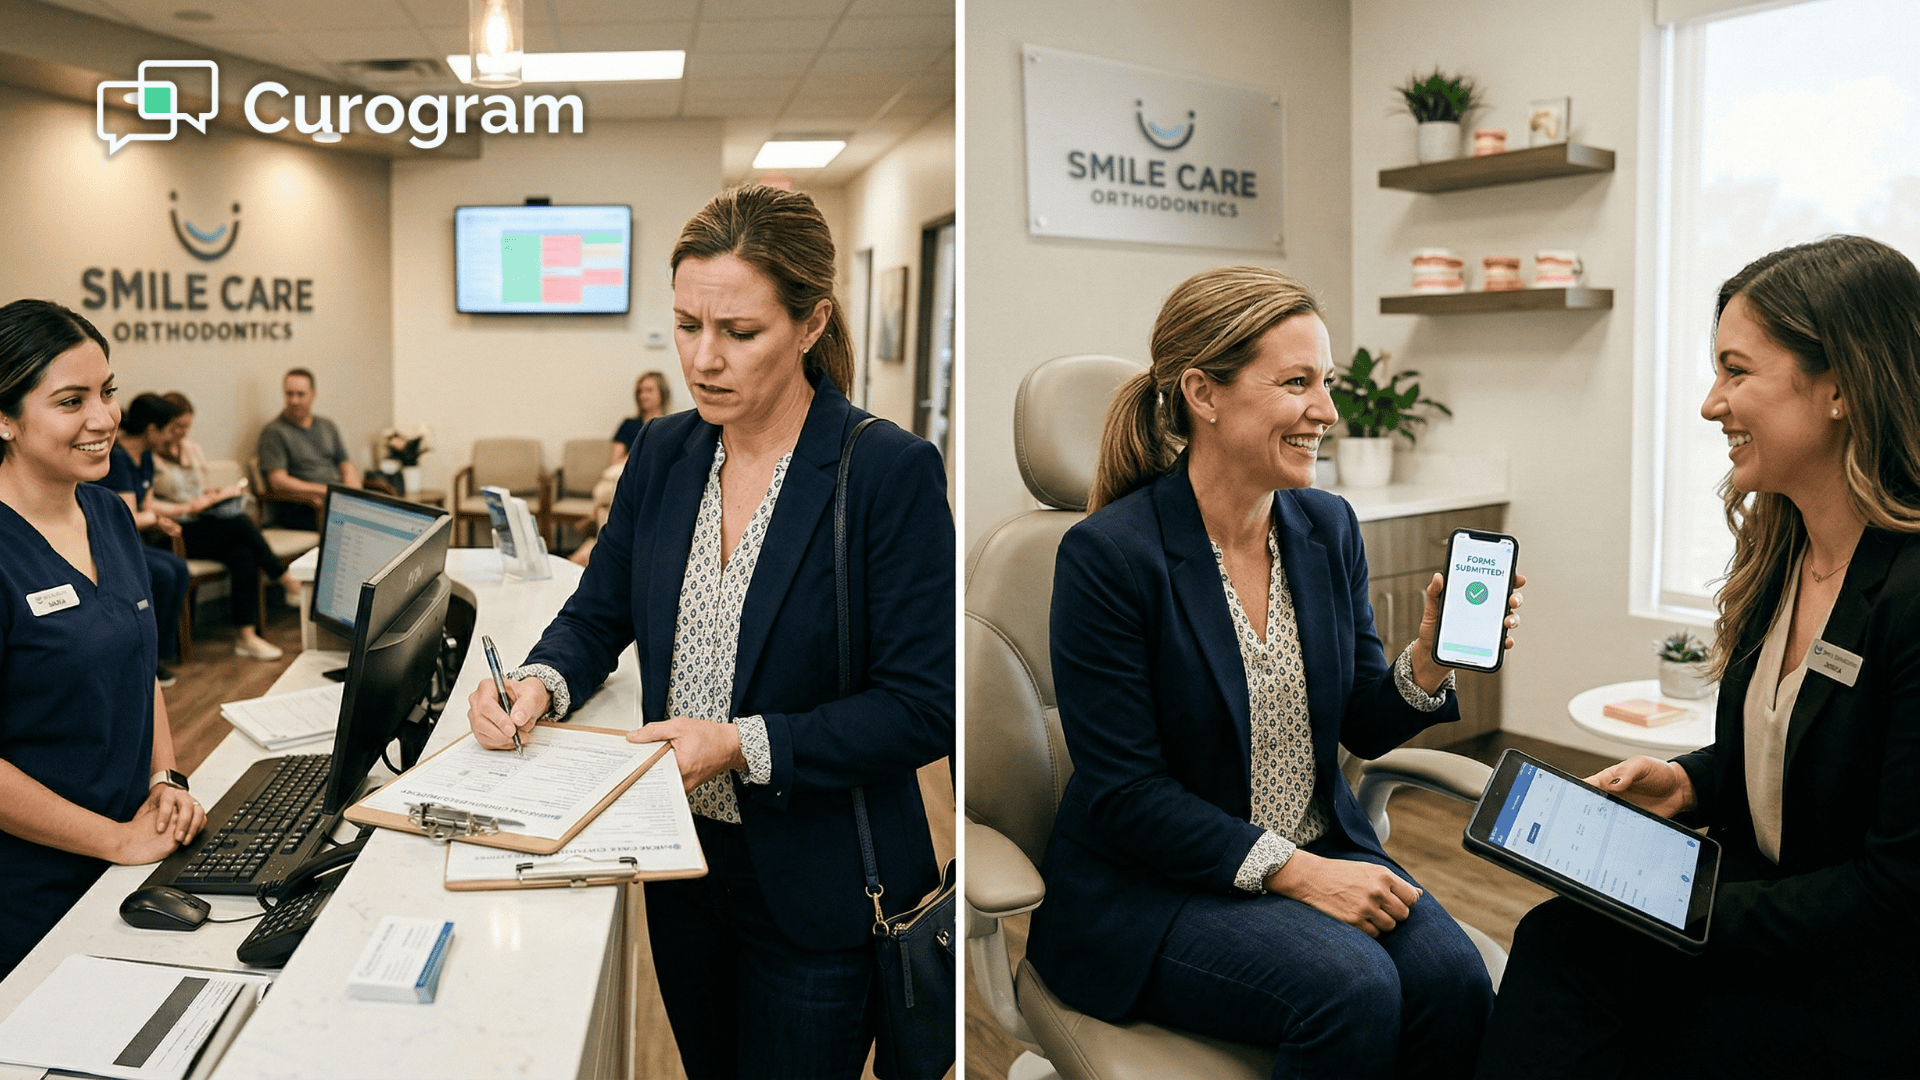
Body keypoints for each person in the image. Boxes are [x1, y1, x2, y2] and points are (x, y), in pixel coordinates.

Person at [465, 185, 953, 1078]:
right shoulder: (664, 452)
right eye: (687, 325)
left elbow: (925, 707)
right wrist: (536, 682)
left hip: (817, 886)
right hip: (684, 863)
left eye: (739, 332)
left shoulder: (887, 471)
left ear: (810, 324)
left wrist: (739, 744)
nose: (703, 358)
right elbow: (599, 610)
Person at [1024, 266, 1525, 1079]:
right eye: (1297, 383)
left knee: (1456, 984)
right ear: (1204, 393)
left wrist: (1430, 658)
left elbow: (1363, 719)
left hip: (1318, 847)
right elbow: (1128, 795)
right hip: (1158, 887)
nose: (1327, 411)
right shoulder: (1109, 556)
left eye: (1326, 383)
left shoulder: (1326, 526)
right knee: (1352, 988)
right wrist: (1298, 874)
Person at [1477, 235, 1920, 1078]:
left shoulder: (1909, 595)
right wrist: (1690, 783)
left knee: (1570, 960)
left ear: (1840, 386)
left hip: (1861, 980)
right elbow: (1801, 752)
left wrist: (1679, 900)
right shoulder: (1782, 553)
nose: (1712, 404)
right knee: (1560, 940)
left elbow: (1898, 891)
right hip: (1767, 920)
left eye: (1735, 371)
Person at [0, 299, 206, 979]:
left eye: (107, 391)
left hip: (131, 854)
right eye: (71, 401)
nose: (104, 417)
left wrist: (165, 778)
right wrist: (114, 839)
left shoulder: (109, 514)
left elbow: (138, 667)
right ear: (4, 418)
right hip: (33, 890)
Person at [146, 392, 302, 660]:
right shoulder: (148, 458)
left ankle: (246, 636)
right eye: (177, 426)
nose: (182, 432)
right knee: (240, 523)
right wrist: (188, 507)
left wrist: (216, 496)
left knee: (243, 553)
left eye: (186, 426)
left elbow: (203, 488)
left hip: (204, 523)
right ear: (162, 425)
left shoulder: (192, 449)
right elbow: (147, 504)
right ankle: (283, 577)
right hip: (174, 531)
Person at [100, 392, 191, 688]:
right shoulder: (117, 458)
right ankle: (145, 658)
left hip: (134, 541)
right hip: (111, 544)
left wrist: (162, 517)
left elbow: (146, 507)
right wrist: (153, 518)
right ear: (152, 430)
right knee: (163, 574)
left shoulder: (147, 457)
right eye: (169, 430)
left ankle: (158, 655)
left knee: (178, 568)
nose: (172, 437)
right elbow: (128, 517)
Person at [257, 367, 360, 529]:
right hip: (305, 507)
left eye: (300, 394)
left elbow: (345, 463)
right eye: (289, 394)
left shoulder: (327, 426)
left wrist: (354, 489)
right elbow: (278, 481)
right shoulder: (274, 432)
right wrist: (326, 491)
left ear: (313, 394)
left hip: (337, 500)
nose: (294, 400)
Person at [610, 370, 671, 466]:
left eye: (649, 390)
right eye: (639, 391)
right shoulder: (629, 425)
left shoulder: (672, 425)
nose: (642, 396)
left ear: (662, 394)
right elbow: (615, 462)